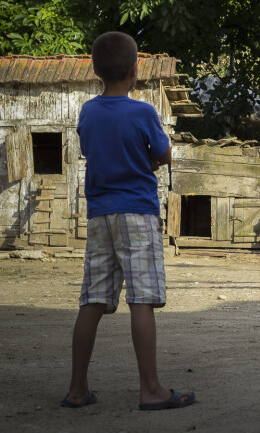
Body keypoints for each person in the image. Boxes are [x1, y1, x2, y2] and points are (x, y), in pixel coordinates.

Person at [64, 31, 194, 410]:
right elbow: (164, 153)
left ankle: (76, 390)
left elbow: (94, 151)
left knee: (92, 300)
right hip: (137, 211)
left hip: (100, 214)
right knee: (142, 300)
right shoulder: (142, 112)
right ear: (136, 70)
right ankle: (151, 389)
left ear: (95, 70)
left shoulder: (88, 111)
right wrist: (148, 159)